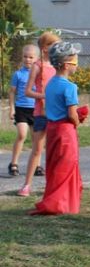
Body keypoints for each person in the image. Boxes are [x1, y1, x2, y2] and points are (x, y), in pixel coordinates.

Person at [29, 41, 86, 215]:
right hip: (65, 131)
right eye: (75, 61)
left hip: (52, 129)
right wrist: (78, 120)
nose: (77, 65)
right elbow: (72, 114)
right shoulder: (70, 87)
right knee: (67, 166)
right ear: (67, 65)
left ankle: (57, 200)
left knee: (55, 166)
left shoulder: (51, 84)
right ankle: (61, 203)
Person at [18, 32, 60, 197]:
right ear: (44, 48)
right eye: (53, 45)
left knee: (54, 151)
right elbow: (28, 91)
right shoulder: (37, 66)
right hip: (41, 114)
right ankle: (26, 185)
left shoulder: (58, 65)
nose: (57, 47)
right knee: (37, 150)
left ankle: (53, 185)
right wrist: (44, 95)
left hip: (56, 113)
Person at [8, 44, 37, 177]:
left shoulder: (38, 75)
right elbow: (12, 92)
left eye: (31, 57)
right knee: (22, 134)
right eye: (25, 57)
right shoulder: (18, 74)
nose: (27, 59)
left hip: (35, 110)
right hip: (21, 109)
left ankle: (36, 165)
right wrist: (12, 108)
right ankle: (14, 163)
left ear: (36, 59)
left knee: (36, 138)